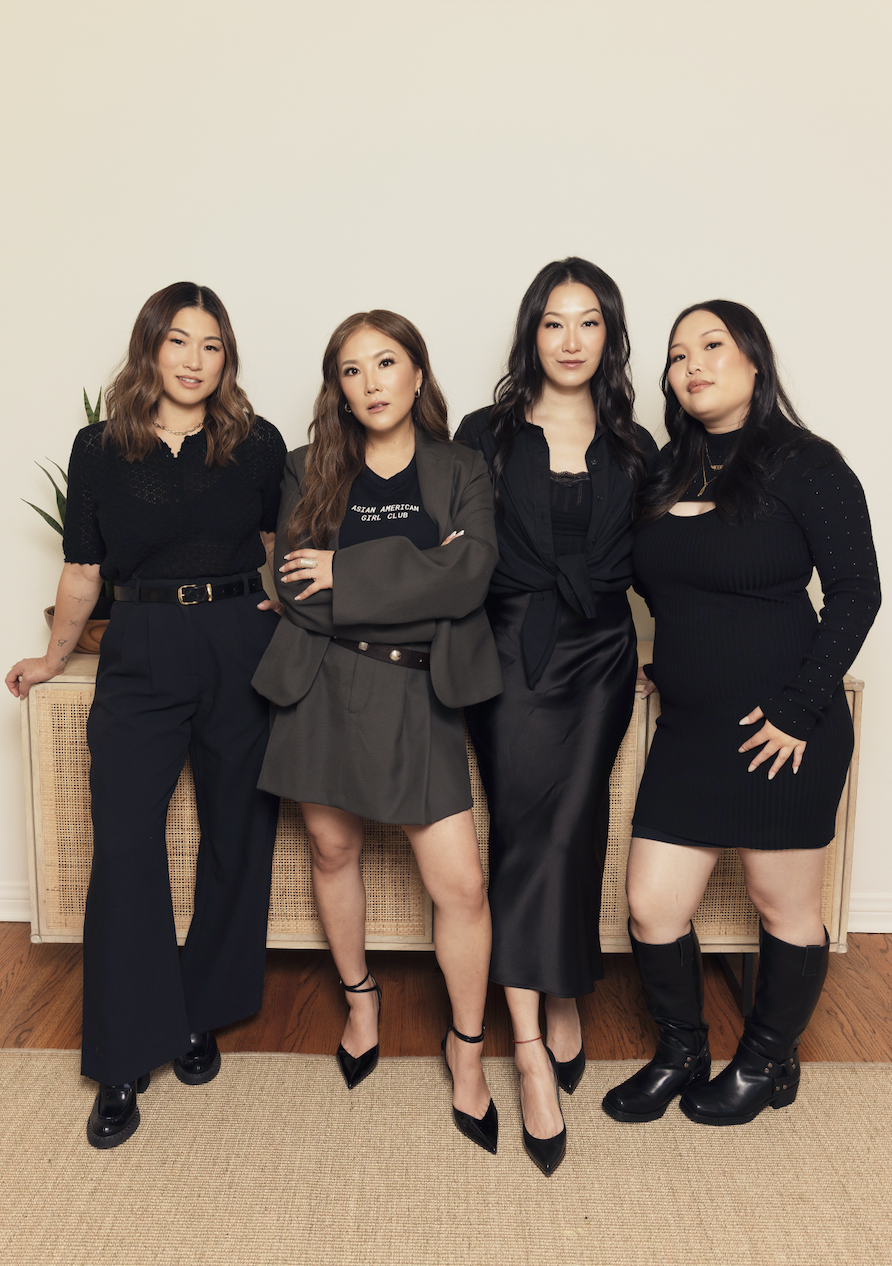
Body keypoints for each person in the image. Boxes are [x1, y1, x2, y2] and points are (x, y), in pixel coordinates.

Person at [6, 282, 286, 1148]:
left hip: (239, 640)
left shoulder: (257, 442)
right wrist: (54, 657)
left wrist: (291, 626)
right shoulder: (100, 449)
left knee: (238, 832)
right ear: (150, 349)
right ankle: (124, 1053)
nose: (195, 361)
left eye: (212, 345)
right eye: (178, 342)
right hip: (142, 643)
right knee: (126, 842)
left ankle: (202, 1009)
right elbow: (84, 569)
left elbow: (279, 549)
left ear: (226, 358)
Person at [602, 300, 881, 1127]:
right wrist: (671, 664)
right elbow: (667, 587)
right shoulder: (664, 473)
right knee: (652, 904)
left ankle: (765, 1062)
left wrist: (798, 708)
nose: (691, 363)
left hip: (784, 729)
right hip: (691, 729)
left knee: (781, 904)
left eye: (712, 345)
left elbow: (858, 592)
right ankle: (682, 1051)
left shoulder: (808, 464)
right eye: (677, 352)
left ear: (754, 361)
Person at [252, 310, 503, 1154]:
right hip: (322, 683)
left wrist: (348, 569)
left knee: (461, 886)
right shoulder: (306, 467)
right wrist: (420, 574)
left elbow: (471, 578)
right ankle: (361, 1001)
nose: (371, 383)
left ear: (417, 373)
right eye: (352, 370)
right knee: (333, 851)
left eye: (386, 362)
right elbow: (296, 591)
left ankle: (466, 1049)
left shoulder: (463, 467)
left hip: (420, 689)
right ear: (338, 387)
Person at [455, 258, 657, 1175]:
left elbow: (663, 561)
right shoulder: (484, 433)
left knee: (576, 829)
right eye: (554, 322)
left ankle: (565, 985)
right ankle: (530, 1047)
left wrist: (675, 657)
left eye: (589, 323)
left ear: (609, 336)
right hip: (509, 651)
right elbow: (447, 546)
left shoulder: (635, 444)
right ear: (531, 332)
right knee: (524, 836)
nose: (571, 341)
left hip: (604, 655)